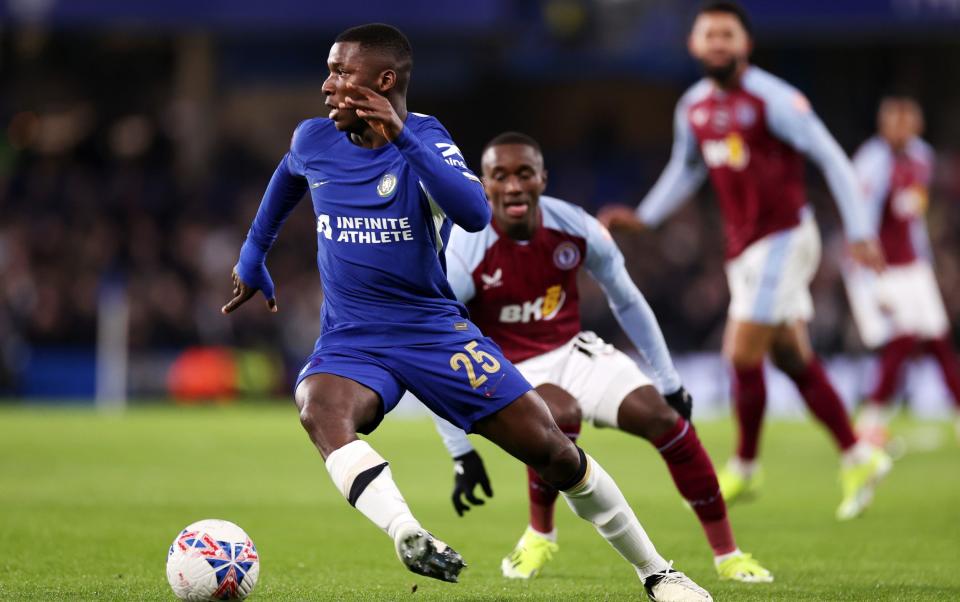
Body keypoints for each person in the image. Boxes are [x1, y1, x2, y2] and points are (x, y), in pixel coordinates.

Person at [221, 23, 711, 600]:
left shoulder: (425, 137)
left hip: (434, 332)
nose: (327, 86)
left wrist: (401, 134)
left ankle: (658, 572)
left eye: (341, 73)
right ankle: (407, 532)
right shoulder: (314, 139)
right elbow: (286, 176)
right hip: (352, 338)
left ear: (383, 82)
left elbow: (474, 213)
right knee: (319, 409)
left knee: (553, 451)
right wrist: (254, 254)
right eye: (329, 70)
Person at [431, 132, 772, 584]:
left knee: (666, 420)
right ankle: (540, 534)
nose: (513, 186)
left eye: (524, 174)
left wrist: (668, 380)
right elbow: (435, 343)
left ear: (542, 179)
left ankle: (728, 555)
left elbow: (627, 300)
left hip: (574, 350)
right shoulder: (464, 250)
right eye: (500, 176)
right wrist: (460, 451)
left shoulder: (576, 226)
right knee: (560, 415)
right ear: (484, 185)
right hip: (509, 366)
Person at [598, 1, 892, 521]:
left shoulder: (775, 100)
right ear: (693, 45)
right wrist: (645, 216)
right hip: (743, 249)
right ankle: (858, 454)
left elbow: (831, 157)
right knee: (791, 358)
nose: (717, 43)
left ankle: (746, 465)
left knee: (739, 353)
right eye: (708, 34)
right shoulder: (692, 107)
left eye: (726, 34)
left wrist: (862, 229)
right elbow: (685, 169)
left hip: (784, 237)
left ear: (745, 44)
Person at [843, 97, 960, 444]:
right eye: (894, 122)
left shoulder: (922, 157)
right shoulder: (871, 161)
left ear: (917, 126)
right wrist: (862, 273)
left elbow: (914, 217)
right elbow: (859, 216)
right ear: (882, 125)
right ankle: (872, 417)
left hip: (913, 266)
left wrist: (925, 259)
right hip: (882, 267)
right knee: (902, 337)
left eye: (906, 122)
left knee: (938, 339)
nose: (900, 129)